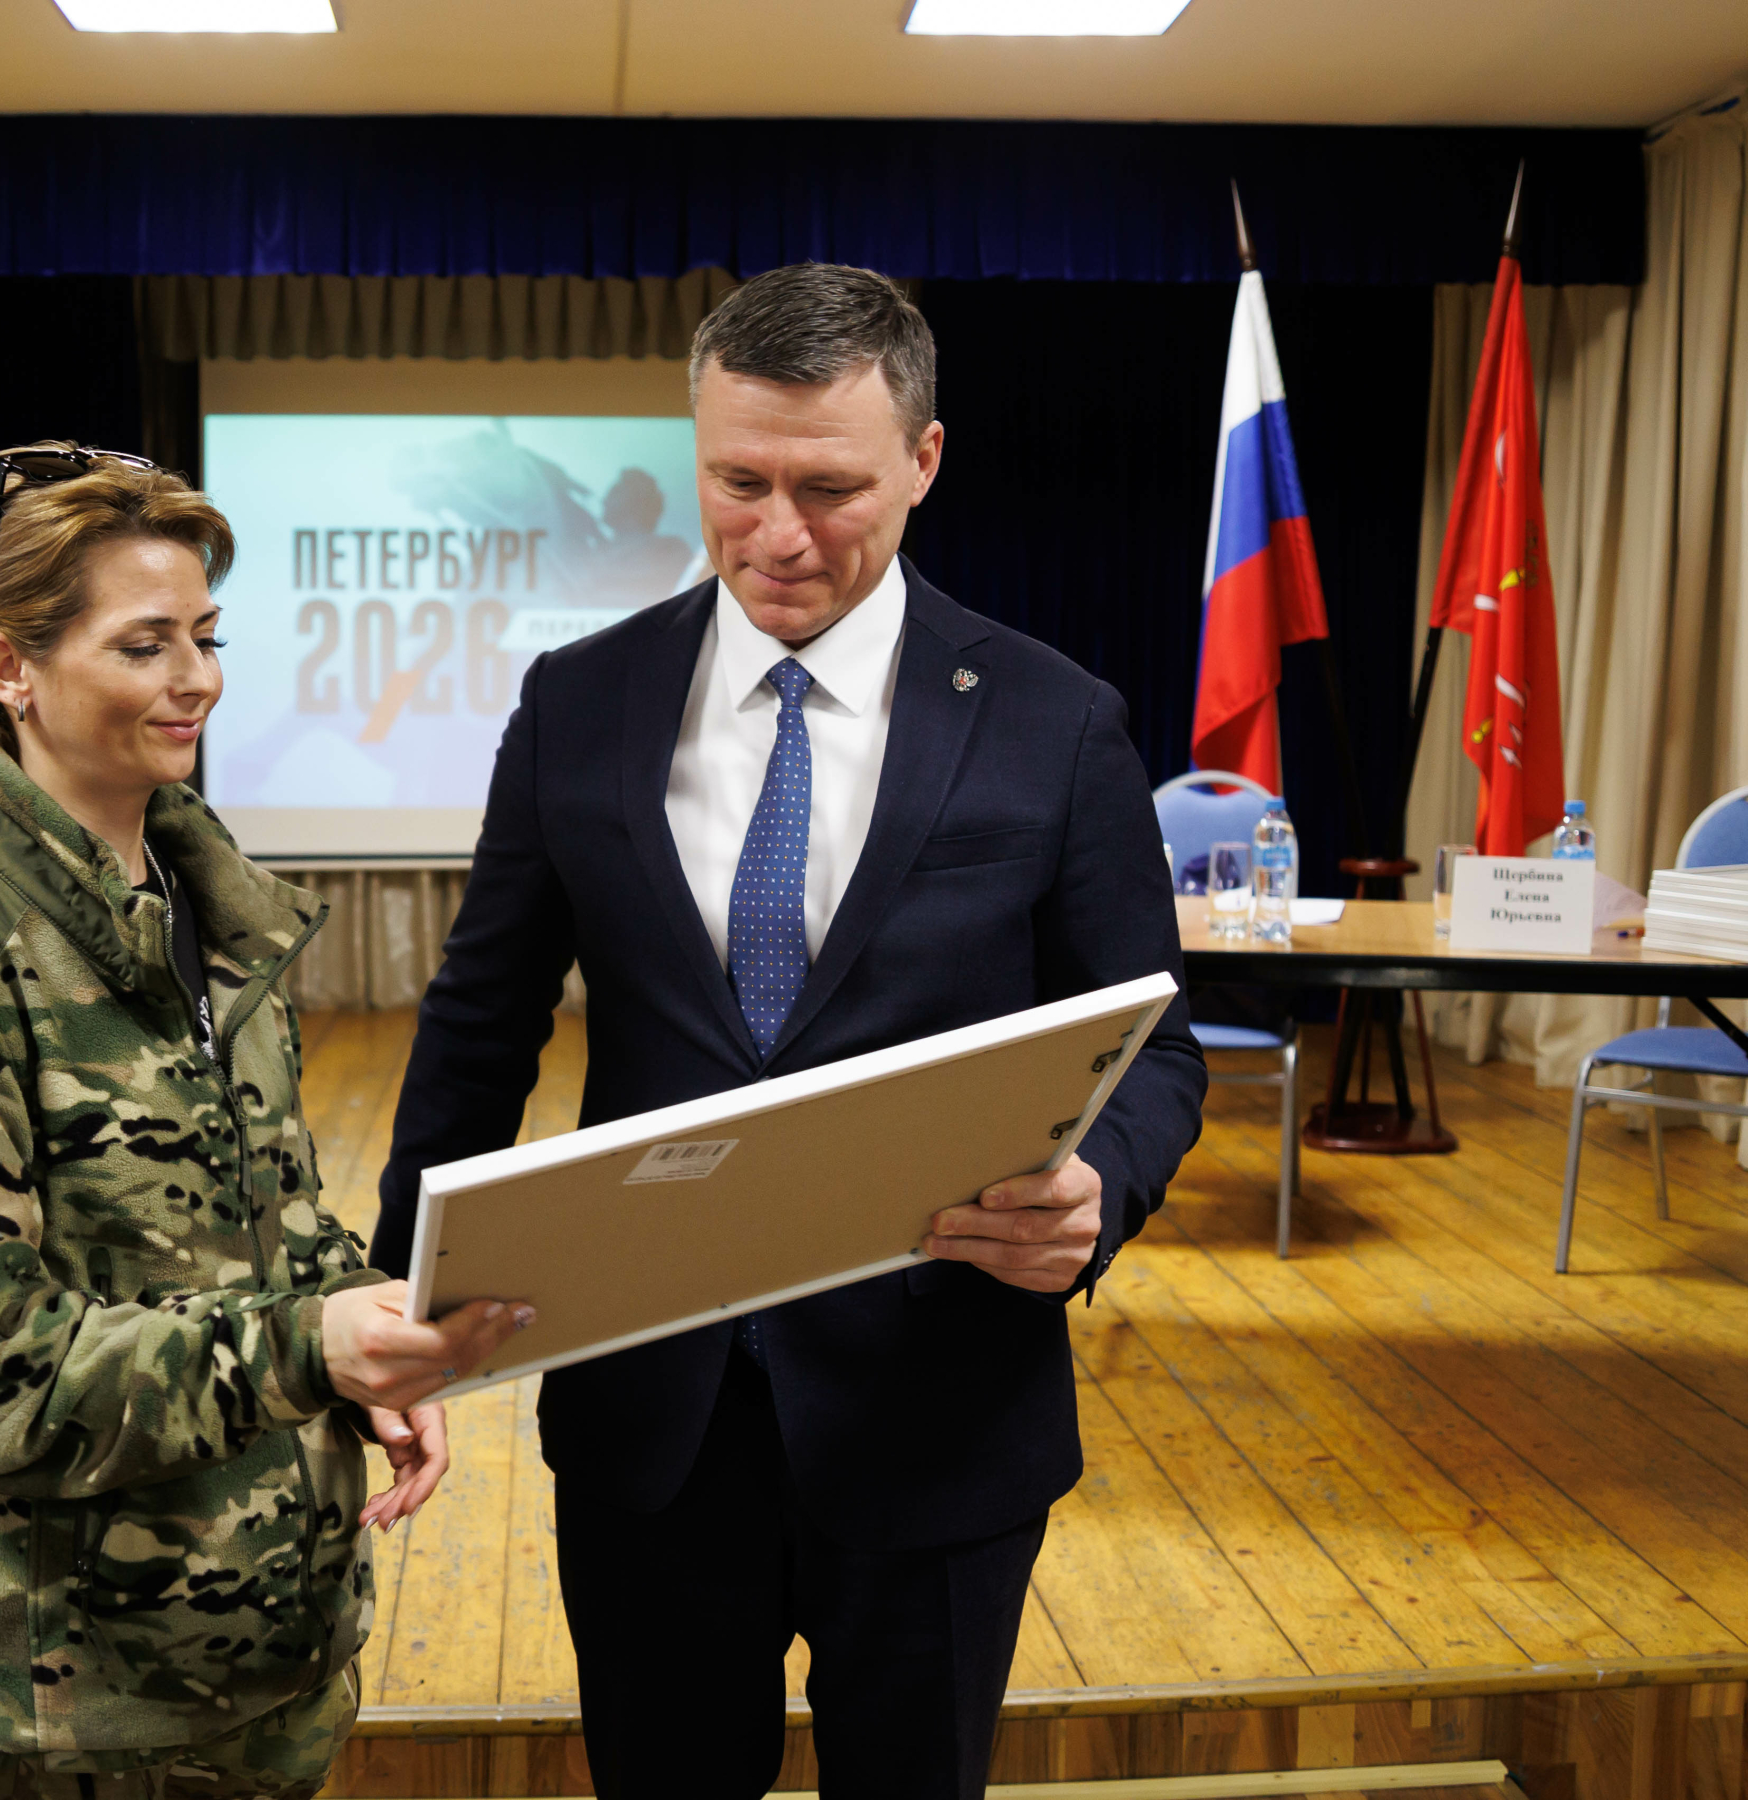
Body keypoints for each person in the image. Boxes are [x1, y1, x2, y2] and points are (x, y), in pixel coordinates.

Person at [371, 267, 1208, 1799]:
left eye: (829, 490)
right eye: (737, 483)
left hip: (942, 1408)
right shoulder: (579, 702)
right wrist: (397, 1295)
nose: (778, 535)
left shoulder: (1055, 718)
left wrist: (1103, 1195)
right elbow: (480, 1025)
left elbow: (1157, 1046)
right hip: (650, 1419)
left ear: (925, 460)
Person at [0, 445, 525, 1800]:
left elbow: (262, 1222)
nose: (197, 678)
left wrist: (357, 1337)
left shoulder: (203, 906)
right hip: (54, 1716)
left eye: (206, 637)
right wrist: (310, 1348)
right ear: (9, 669)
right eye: (145, 645)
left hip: (256, 1663)